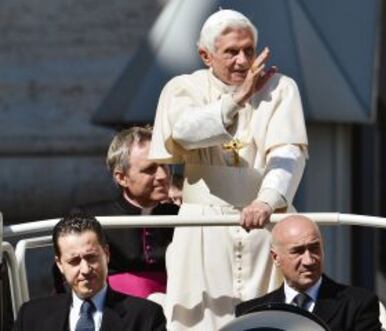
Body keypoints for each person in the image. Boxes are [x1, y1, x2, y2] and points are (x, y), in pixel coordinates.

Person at [149, 9, 308, 330]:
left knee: (265, 317)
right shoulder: (183, 88)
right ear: (205, 55)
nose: (242, 60)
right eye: (231, 52)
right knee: (199, 315)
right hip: (202, 226)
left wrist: (267, 200)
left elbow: (288, 152)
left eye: (249, 50)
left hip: (264, 221)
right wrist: (236, 100)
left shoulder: (280, 88)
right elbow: (183, 131)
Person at [72, 127, 179, 298]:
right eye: (150, 169)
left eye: (165, 165)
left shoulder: (181, 215)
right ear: (122, 177)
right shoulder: (91, 219)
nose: (162, 175)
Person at [13, 214, 166, 331]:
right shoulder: (31, 317)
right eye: (74, 261)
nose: (85, 269)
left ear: (106, 254)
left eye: (91, 257)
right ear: (60, 264)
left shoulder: (145, 316)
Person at [235, 215, 382, 331]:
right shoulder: (251, 314)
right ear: (276, 258)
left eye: (314, 248)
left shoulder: (357, 305)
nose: (309, 260)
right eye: (297, 251)